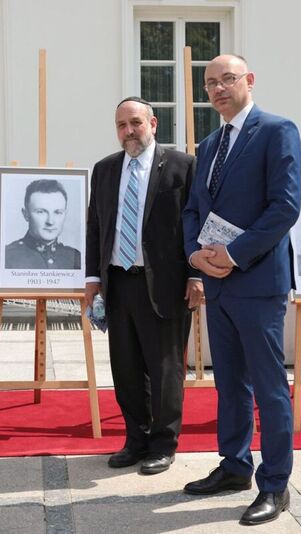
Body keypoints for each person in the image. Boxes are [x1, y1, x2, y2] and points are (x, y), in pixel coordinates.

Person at [182, 55, 301, 526]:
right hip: (216, 284)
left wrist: (232, 256)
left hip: (256, 282)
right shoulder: (209, 144)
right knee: (229, 384)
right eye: (210, 83)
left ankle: (274, 485)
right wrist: (195, 255)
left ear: (249, 80)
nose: (217, 89)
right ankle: (234, 466)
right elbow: (194, 208)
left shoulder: (277, 131)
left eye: (226, 79)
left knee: (270, 390)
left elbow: (285, 207)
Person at [86, 96, 201, 475]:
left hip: (167, 285)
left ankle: (163, 445)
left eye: (135, 122)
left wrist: (197, 275)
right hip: (119, 283)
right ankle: (135, 440)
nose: (128, 131)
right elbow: (96, 227)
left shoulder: (182, 166)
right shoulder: (104, 170)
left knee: (166, 369)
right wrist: (92, 279)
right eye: (121, 125)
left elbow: (197, 224)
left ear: (153, 123)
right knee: (127, 369)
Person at [5, 179, 81, 269]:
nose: (50, 221)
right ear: (26, 214)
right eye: (41, 212)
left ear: (65, 214)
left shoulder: (75, 257)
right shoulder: (7, 256)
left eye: (58, 212)